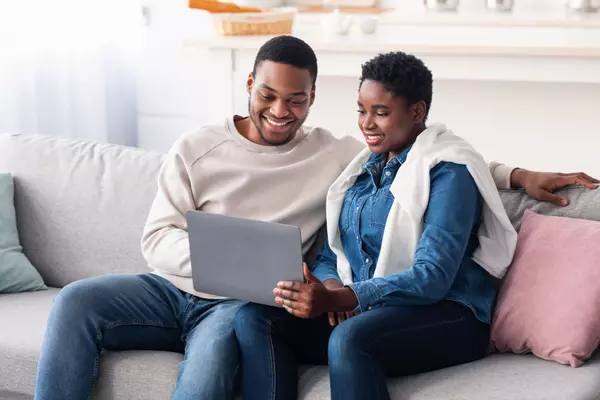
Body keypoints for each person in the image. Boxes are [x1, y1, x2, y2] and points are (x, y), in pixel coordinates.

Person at [34, 36, 597, 400]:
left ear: (309, 99)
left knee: (247, 352)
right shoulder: (211, 148)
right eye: (271, 94)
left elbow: (441, 164)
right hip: (176, 287)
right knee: (79, 299)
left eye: (297, 99)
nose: (282, 111)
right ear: (249, 85)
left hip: (254, 303)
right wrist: (317, 278)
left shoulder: (346, 156)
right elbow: (161, 238)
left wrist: (517, 175)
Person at [233, 50, 600, 400]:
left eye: (381, 112)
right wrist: (329, 289)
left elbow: (432, 277)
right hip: (367, 309)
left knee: (350, 339)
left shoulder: (448, 171)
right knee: (256, 317)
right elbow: (333, 251)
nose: (366, 123)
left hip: (452, 315)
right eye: (361, 110)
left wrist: (349, 297)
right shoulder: (360, 171)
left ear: (416, 111)